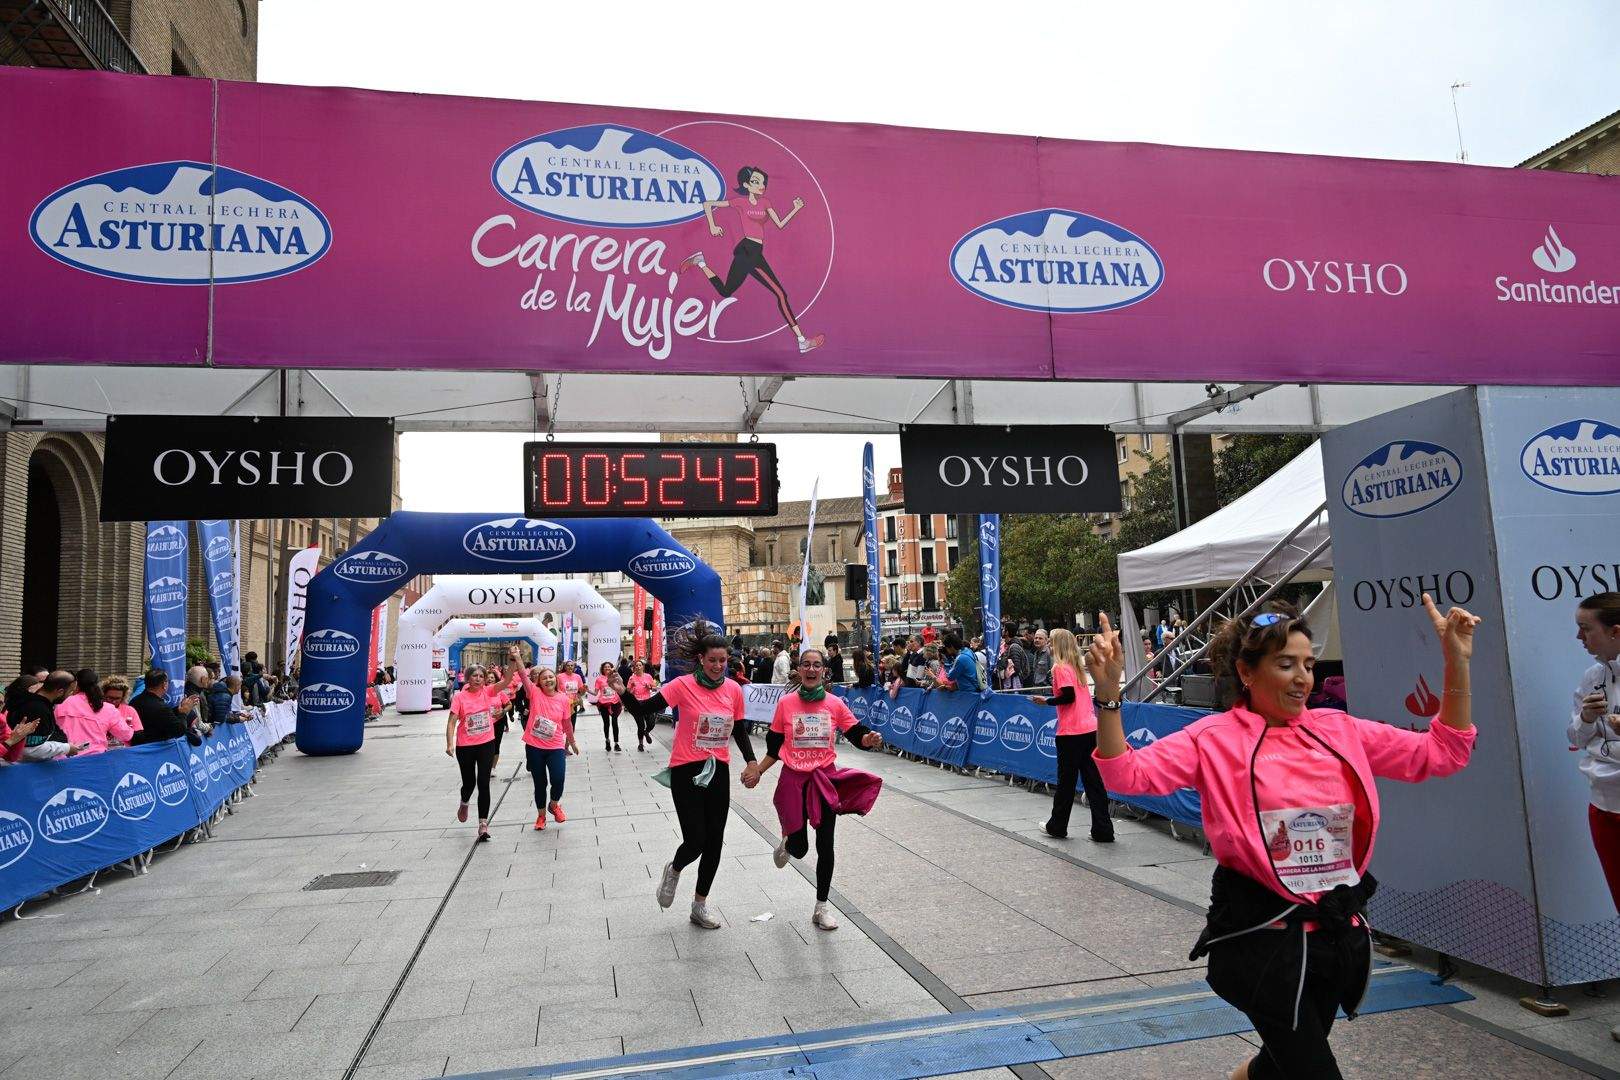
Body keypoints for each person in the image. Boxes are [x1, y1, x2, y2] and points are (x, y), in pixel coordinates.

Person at [1091, 597, 1478, 1080]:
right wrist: (1108, 698)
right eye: (1285, 664)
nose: (1303, 678)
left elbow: (1443, 753)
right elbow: (1125, 774)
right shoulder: (1213, 738)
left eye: (1309, 665)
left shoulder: (1338, 729)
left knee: (1282, 1063)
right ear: (1247, 673)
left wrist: (1455, 663)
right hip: (1262, 944)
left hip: (1335, 938)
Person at [614, 621, 757, 929]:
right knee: (696, 840)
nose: (718, 666)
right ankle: (675, 869)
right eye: (712, 660)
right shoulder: (681, 685)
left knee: (715, 841)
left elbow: (741, 730)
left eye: (722, 661)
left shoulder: (734, 690)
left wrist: (751, 761)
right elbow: (642, 710)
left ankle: (699, 904)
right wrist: (624, 693)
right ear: (700, 660)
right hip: (686, 770)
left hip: (718, 768)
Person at [742, 648, 884, 930]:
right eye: (805, 664)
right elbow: (774, 746)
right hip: (794, 780)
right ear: (799, 669)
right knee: (801, 848)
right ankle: (788, 841)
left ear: (823, 671)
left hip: (823, 780)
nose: (811, 669)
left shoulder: (834, 704)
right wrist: (757, 769)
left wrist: (869, 739)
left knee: (825, 845)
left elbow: (856, 733)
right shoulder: (786, 704)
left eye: (816, 665)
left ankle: (821, 908)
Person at [683, 166, 825, 355]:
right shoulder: (739, 202)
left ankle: (700, 262)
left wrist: (795, 209)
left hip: (754, 252)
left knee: (726, 291)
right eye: (756, 182)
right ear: (746, 185)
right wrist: (712, 226)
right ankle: (801, 341)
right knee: (781, 294)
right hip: (748, 251)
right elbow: (708, 204)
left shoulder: (765, 202)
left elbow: (780, 224)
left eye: (763, 183)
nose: (761, 186)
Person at [1569, 593, 1620, 923]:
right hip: (1603, 807)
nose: (1579, 638)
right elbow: (1574, 737)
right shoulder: (1592, 676)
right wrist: (1586, 719)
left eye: (1586, 629)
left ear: (1615, 631)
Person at [1033, 630, 1111, 842]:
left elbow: (1067, 696)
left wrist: (1046, 701)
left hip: (1071, 732)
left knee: (1066, 782)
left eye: (1051, 640)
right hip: (1089, 729)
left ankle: (1058, 826)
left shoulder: (1059, 668)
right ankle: (1103, 829)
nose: (1048, 643)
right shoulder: (1077, 668)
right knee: (1093, 781)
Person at [445, 664, 518, 842]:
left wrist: (513, 660)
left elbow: (507, 680)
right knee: (469, 783)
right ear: (468, 678)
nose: (478, 678)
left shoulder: (489, 691)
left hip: (486, 743)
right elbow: (452, 721)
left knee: (483, 782)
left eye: (481, 676)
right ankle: (464, 802)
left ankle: (483, 824)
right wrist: (449, 744)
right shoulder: (460, 697)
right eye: (474, 675)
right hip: (466, 746)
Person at [509, 647, 579, 830]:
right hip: (535, 746)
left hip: (555, 746)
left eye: (551, 677)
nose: (548, 679)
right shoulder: (535, 693)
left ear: (555, 680)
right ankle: (541, 817)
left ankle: (554, 804)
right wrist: (517, 658)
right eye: (544, 678)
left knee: (558, 779)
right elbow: (524, 675)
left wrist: (571, 742)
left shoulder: (563, 699)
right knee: (540, 783)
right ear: (539, 682)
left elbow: (567, 722)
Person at [55, 668, 135, 755]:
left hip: (64, 758)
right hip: (95, 759)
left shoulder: (60, 704)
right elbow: (126, 735)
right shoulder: (107, 708)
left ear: (75, 684)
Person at [130, 670, 202, 747]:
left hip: (136, 747)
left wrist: (179, 709)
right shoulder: (160, 707)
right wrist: (184, 712)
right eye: (168, 682)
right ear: (164, 685)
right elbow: (179, 731)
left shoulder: (134, 701)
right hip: (154, 750)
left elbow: (161, 717)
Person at [625, 659, 660, 751]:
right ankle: (640, 744)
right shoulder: (632, 678)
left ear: (643, 667)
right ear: (634, 668)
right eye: (636, 665)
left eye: (640, 665)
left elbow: (654, 688)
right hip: (636, 704)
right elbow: (628, 691)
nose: (638, 667)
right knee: (640, 726)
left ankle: (646, 732)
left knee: (651, 723)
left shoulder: (648, 676)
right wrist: (632, 687)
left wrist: (650, 686)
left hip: (648, 703)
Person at [592, 661, 624, 752]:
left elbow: (621, 686)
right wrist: (587, 690)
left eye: (609, 667)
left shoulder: (615, 677)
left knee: (615, 722)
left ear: (612, 668)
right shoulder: (599, 679)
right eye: (605, 667)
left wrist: (616, 674)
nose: (607, 668)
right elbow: (595, 693)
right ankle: (607, 740)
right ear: (602, 669)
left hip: (615, 703)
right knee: (606, 723)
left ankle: (616, 743)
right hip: (603, 704)